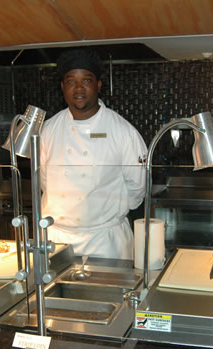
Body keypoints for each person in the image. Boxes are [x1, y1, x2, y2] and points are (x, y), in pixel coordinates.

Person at [39, 48, 148, 260]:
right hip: (56, 239)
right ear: (63, 87)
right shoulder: (48, 129)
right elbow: (43, 180)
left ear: (98, 85)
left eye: (86, 80)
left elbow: (137, 188)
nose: (78, 88)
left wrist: (105, 212)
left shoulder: (123, 131)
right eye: (71, 81)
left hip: (105, 241)